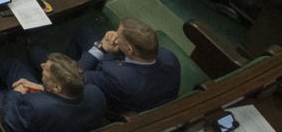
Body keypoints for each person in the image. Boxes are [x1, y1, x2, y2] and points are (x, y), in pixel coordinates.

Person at [34, 18, 181, 119]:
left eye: (118, 35)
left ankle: (32, 49)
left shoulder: (117, 76)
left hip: (118, 109)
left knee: (38, 54)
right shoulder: (169, 57)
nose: (115, 35)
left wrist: (103, 47)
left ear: (129, 49)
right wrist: (114, 48)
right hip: (144, 92)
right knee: (83, 31)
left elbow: (74, 75)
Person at [0, 52, 107, 132]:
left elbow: (9, 120)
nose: (42, 66)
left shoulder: (35, 107)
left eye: (46, 70)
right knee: (15, 66)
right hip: (48, 106)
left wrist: (16, 93)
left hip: (13, 114)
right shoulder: (96, 93)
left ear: (57, 87)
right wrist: (43, 89)